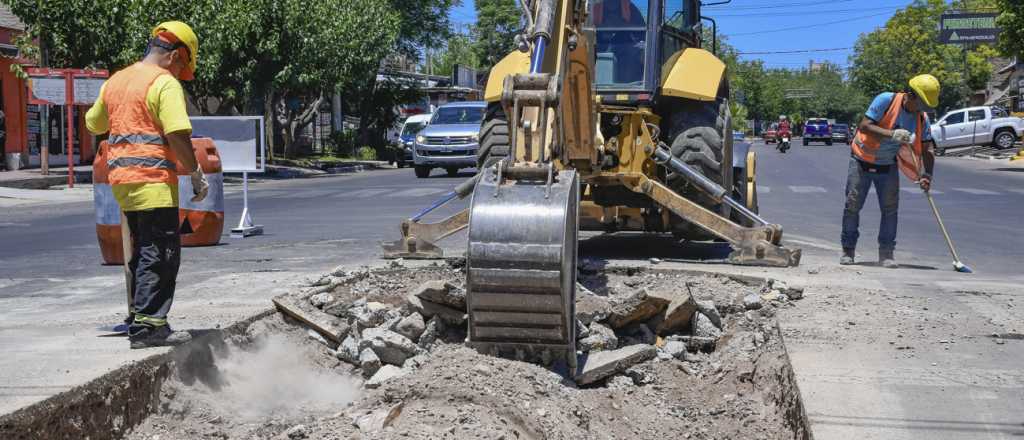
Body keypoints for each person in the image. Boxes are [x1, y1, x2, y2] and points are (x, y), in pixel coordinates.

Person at [86, 21, 208, 349]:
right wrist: (196, 173)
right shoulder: (164, 83)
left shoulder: (117, 80)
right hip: (153, 181)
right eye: (184, 65)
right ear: (176, 55)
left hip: (122, 182)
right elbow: (177, 134)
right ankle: (149, 327)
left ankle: (138, 315)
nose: (181, 73)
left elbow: (93, 122)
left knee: (142, 249)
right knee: (162, 251)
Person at [841, 74, 939, 268]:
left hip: (888, 164)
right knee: (852, 207)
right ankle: (848, 251)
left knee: (890, 210)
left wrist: (927, 175)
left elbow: (927, 148)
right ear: (911, 95)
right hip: (861, 159)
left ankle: (886, 254)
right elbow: (865, 126)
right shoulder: (886, 100)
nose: (922, 109)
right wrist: (892, 134)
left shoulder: (921, 117)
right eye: (920, 103)